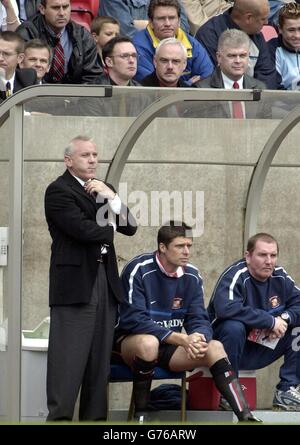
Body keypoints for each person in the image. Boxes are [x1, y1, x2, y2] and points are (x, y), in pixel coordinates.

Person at [114, 220, 260, 423]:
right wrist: (182, 339)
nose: (186, 252)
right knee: (149, 343)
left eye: (189, 246)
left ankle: (245, 416)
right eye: (180, 246)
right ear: (163, 247)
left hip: (171, 346)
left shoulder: (192, 275)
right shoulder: (138, 269)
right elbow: (134, 320)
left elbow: (199, 318)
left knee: (215, 347)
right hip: (131, 343)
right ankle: (141, 415)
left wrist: (199, 338)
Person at [44, 135, 137, 421]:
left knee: (100, 365)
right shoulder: (58, 191)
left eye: (95, 154)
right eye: (86, 155)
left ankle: (95, 421)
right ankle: (59, 420)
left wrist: (113, 199)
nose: (93, 160)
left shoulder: (103, 189)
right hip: (75, 287)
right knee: (68, 363)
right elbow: (83, 230)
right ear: (69, 160)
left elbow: (130, 227)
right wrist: (108, 225)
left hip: (105, 284)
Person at [207, 232, 300, 411]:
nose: (269, 261)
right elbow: (225, 308)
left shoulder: (280, 276)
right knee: (233, 326)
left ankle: (286, 390)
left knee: (297, 328)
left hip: (260, 346)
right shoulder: (236, 275)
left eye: (273, 255)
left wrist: (283, 319)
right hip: (224, 352)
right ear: (248, 256)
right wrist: (269, 322)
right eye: (262, 255)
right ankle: (229, 392)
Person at [195, 0, 280, 89]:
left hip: (253, 97)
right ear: (248, 18)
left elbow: (267, 76)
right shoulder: (209, 33)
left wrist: (254, 100)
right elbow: (211, 77)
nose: (266, 22)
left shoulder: (257, 35)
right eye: (263, 19)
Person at [16, 0, 101, 84]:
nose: (62, 13)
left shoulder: (82, 35)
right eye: (55, 8)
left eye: (65, 7)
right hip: (37, 93)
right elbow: (21, 74)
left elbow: (93, 76)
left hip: (75, 95)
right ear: (42, 9)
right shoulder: (27, 33)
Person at [133, 0, 213, 83]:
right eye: (161, 18)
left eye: (171, 18)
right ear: (151, 22)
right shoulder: (138, 46)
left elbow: (209, 78)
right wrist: (188, 84)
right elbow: (150, 84)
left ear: (179, 21)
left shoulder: (192, 43)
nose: (167, 23)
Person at [194, 29, 267, 118]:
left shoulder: (260, 88)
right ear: (219, 57)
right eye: (232, 56)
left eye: (243, 55)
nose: (238, 61)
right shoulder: (202, 90)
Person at [99, 0, 190, 39]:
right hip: (135, 57)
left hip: (174, 52)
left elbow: (183, 28)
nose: (166, 23)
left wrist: (141, 24)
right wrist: (161, 29)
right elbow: (124, 34)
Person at [268, 2, 300, 90]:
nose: (297, 35)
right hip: (283, 102)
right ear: (280, 29)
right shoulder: (270, 50)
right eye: (291, 30)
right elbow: (274, 90)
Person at [0, 30, 37, 102]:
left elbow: (37, 106)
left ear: (20, 58)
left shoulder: (28, 77)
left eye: (6, 54)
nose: (0, 58)